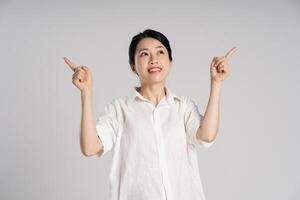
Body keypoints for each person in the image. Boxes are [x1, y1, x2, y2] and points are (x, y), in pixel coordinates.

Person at [63, 29, 237, 200]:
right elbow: (90, 147)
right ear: (133, 67)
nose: (154, 59)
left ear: (170, 62)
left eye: (160, 52)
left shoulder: (182, 107)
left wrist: (216, 84)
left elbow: (206, 136)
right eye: (144, 54)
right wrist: (86, 92)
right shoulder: (120, 110)